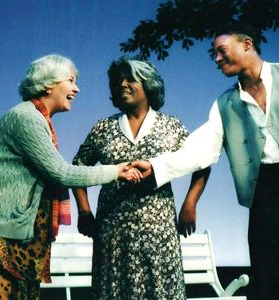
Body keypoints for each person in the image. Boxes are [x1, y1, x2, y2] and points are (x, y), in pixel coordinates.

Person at [131, 23, 279, 300]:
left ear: (247, 44)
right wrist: (156, 166)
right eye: (215, 55)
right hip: (264, 197)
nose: (217, 59)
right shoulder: (225, 104)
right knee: (272, 283)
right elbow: (200, 150)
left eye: (221, 51)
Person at [0, 54, 141, 299]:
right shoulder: (27, 118)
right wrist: (117, 171)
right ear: (49, 84)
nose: (76, 88)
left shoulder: (38, 118)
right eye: (70, 80)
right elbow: (61, 173)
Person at [72, 56, 210, 300]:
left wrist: (190, 204)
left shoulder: (171, 126)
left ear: (148, 84)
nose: (122, 84)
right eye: (117, 81)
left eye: (130, 79)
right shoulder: (103, 128)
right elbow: (78, 168)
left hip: (159, 231)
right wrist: (84, 212)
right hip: (112, 233)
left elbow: (202, 161)